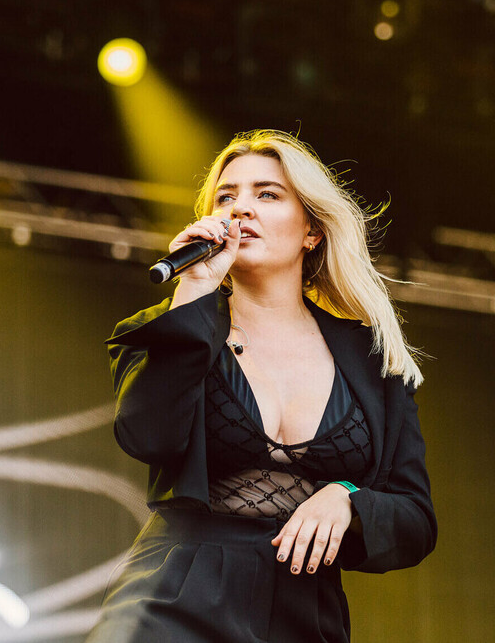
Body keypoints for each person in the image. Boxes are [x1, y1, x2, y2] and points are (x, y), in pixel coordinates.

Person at [86, 130, 436, 642]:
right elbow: (147, 436)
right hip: (175, 597)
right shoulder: (171, 328)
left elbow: (416, 519)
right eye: (225, 197)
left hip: (304, 613)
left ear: (312, 230)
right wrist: (195, 289)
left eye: (267, 194)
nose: (240, 208)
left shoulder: (372, 362)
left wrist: (348, 499)